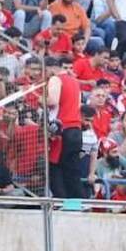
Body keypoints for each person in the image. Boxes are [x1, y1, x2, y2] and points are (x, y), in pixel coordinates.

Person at [46, 55, 84, 199]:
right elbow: (78, 105)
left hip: (63, 130)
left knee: (55, 169)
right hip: (76, 130)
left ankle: (64, 203)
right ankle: (79, 204)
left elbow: (53, 101)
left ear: (49, 68)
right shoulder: (74, 82)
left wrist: (40, 99)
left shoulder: (55, 79)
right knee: (72, 171)